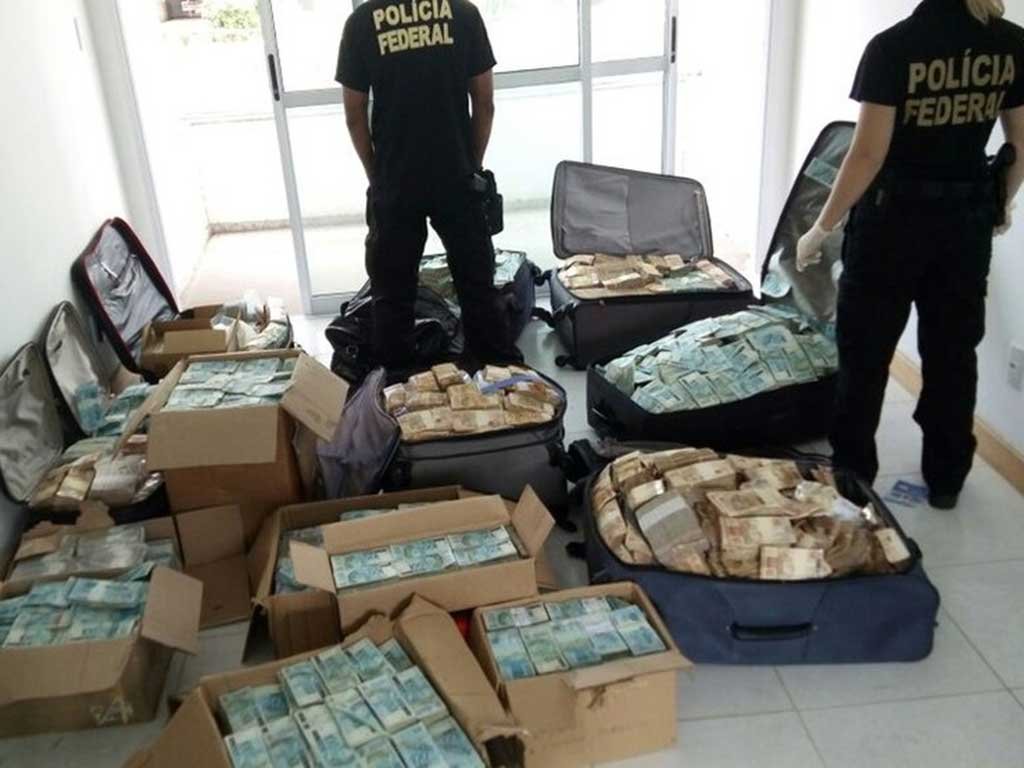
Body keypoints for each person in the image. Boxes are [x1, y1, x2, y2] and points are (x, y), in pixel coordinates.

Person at [797, 0, 1024, 509]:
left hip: (891, 226)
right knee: (953, 355)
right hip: (964, 227)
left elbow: (867, 154)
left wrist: (821, 226)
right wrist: (1001, 202)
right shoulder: (1010, 43)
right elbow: (1021, 142)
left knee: (865, 355)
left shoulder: (893, 48)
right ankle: (946, 479)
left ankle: (854, 479)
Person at [336, 0, 521, 372]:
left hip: (395, 178)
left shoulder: (362, 22)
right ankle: (498, 379)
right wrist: (471, 165)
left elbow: (354, 115)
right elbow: (484, 103)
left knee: (392, 293)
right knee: (476, 283)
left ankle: (399, 386)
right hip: (455, 174)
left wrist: (377, 175)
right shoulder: (463, 13)